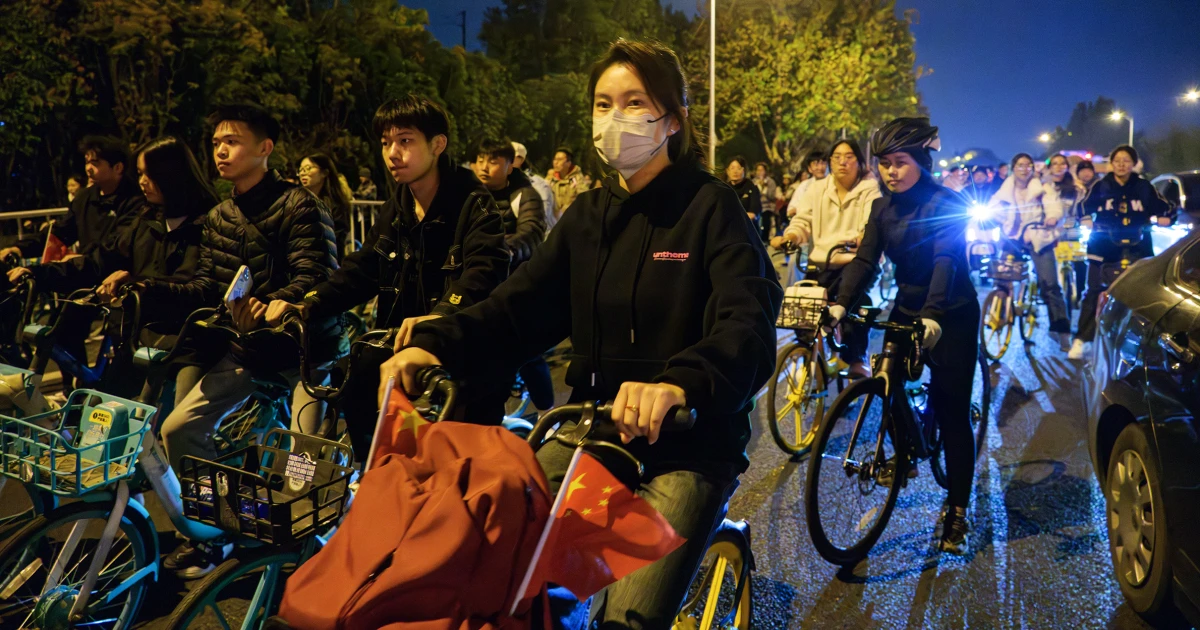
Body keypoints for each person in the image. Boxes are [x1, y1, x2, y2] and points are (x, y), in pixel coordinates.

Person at [383, 38, 781, 626]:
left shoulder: (711, 207)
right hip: (589, 431)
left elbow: (746, 321)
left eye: (634, 102)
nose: (614, 119)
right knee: (489, 578)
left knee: (628, 619)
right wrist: (434, 342)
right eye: (602, 103)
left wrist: (680, 384)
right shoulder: (587, 217)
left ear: (671, 120)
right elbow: (517, 309)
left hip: (687, 447)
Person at [267, 95, 510, 458]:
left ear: (438, 144)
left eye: (405, 141)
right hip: (397, 355)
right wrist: (307, 305)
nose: (393, 153)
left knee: (460, 471)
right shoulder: (398, 204)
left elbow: (482, 271)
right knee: (361, 405)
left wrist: (441, 318)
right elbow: (363, 267)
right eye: (386, 143)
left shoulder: (474, 203)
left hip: (462, 358)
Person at [157, 103, 341, 578]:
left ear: (265, 149)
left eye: (232, 141)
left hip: (305, 354)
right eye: (217, 142)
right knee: (178, 428)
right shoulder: (220, 215)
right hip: (248, 351)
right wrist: (146, 288)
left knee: (302, 464)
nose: (221, 150)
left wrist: (279, 301)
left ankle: (307, 565)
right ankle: (230, 525)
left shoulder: (301, 204)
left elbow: (318, 274)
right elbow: (206, 285)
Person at [830, 117, 978, 554]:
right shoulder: (880, 207)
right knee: (887, 380)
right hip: (909, 305)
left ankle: (957, 511)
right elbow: (866, 261)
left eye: (900, 162)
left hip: (950, 310)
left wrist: (933, 316)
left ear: (921, 162)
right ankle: (908, 450)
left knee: (952, 413)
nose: (891, 172)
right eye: (884, 164)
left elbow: (946, 262)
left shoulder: (944, 202)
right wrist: (841, 302)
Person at [6, 137, 216, 398]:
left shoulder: (207, 223)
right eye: (140, 173)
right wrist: (38, 272)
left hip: (185, 347)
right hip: (137, 339)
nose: (142, 181)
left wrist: (138, 284)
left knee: (177, 430)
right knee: (109, 415)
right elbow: (100, 261)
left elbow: (194, 286)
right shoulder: (147, 218)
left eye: (149, 174)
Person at [771, 139, 880, 379]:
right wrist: (790, 236)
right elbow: (802, 221)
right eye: (837, 156)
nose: (843, 161)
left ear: (860, 161)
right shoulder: (816, 189)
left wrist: (863, 237)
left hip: (855, 262)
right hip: (821, 262)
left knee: (854, 302)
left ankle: (856, 357)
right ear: (830, 162)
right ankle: (809, 351)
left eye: (849, 156)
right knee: (803, 304)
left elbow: (870, 222)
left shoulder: (870, 190)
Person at [475, 138, 556, 412]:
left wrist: (504, 250)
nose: (484, 167)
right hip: (479, 282)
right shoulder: (468, 193)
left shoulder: (525, 194)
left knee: (526, 348)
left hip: (516, 281)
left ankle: (549, 412)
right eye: (480, 160)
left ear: (511, 166)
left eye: (494, 161)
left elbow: (532, 232)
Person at [1069, 145, 1172, 360]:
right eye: (1117, 161)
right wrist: (1086, 219)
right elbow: (1082, 207)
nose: (1121, 165)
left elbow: (1166, 208)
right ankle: (1082, 340)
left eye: (1126, 161)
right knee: (1094, 290)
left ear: (1134, 164)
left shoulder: (1144, 187)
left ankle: (1145, 343)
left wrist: (1167, 218)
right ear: (1111, 164)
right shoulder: (1101, 186)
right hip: (1103, 247)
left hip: (1138, 246)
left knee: (1143, 294)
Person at [2, 136, 145, 262]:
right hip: (87, 273)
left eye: (95, 163)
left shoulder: (135, 199)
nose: (88, 168)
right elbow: (61, 232)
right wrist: (19, 249)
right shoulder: (84, 198)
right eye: (86, 162)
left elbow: (120, 245)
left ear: (118, 167)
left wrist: (83, 259)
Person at [989, 153, 1071, 341]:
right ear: (1013, 168)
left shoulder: (1043, 188)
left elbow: (1054, 207)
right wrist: (999, 219)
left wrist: (1052, 218)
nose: (1024, 169)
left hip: (1038, 236)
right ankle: (999, 314)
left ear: (1033, 169)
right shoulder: (1005, 188)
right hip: (1013, 238)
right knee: (1002, 277)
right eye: (1020, 165)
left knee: (1049, 284)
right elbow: (994, 207)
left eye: (1028, 165)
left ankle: (1061, 328)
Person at [299, 153, 352, 258]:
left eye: (308, 168)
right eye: (300, 169)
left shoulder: (336, 206)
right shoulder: (296, 203)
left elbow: (336, 240)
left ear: (325, 173)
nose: (303, 173)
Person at [512, 141, 558, 231]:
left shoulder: (538, 185)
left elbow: (541, 218)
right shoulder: (497, 183)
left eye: (509, 156)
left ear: (520, 159)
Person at [547, 147, 591, 216]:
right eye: (555, 159)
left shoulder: (577, 179)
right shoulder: (550, 178)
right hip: (553, 220)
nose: (556, 162)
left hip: (571, 218)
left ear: (569, 163)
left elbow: (584, 199)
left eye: (560, 159)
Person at [786, 149, 829, 217]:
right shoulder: (804, 186)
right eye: (816, 164)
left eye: (823, 163)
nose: (820, 167)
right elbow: (791, 210)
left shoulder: (833, 184)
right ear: (809, 168)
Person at [726, 156, 761, 226]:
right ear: (727, 171)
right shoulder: (724, 188)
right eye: (732, 168)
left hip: (747, 227)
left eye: (739, 168)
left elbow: (753, 213)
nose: (735, 171)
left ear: (744, 170)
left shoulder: (752, 188)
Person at [752, 162, 779, 240]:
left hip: (768, 206)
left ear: (765, 171)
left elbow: (771, 196)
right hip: (756, 205)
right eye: (758, 170)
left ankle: (765, 240)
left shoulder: (771, 182)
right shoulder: (753, 182)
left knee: (766, 220)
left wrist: (764, 187)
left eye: (762, 170)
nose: (760, 172)